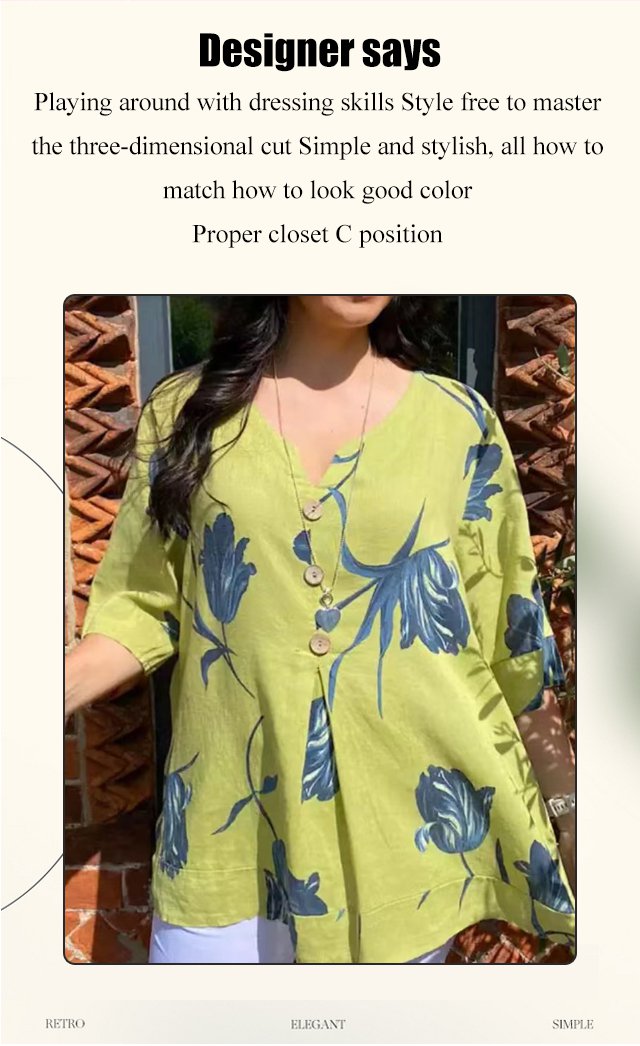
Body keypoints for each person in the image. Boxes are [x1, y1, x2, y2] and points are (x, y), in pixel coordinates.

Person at [65, 294, 576, 964]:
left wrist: (569, 810)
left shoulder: (459, 422)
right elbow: (142, 604)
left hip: (408, 838)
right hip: (224, 833)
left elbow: (512, 637)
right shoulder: (187, 411)